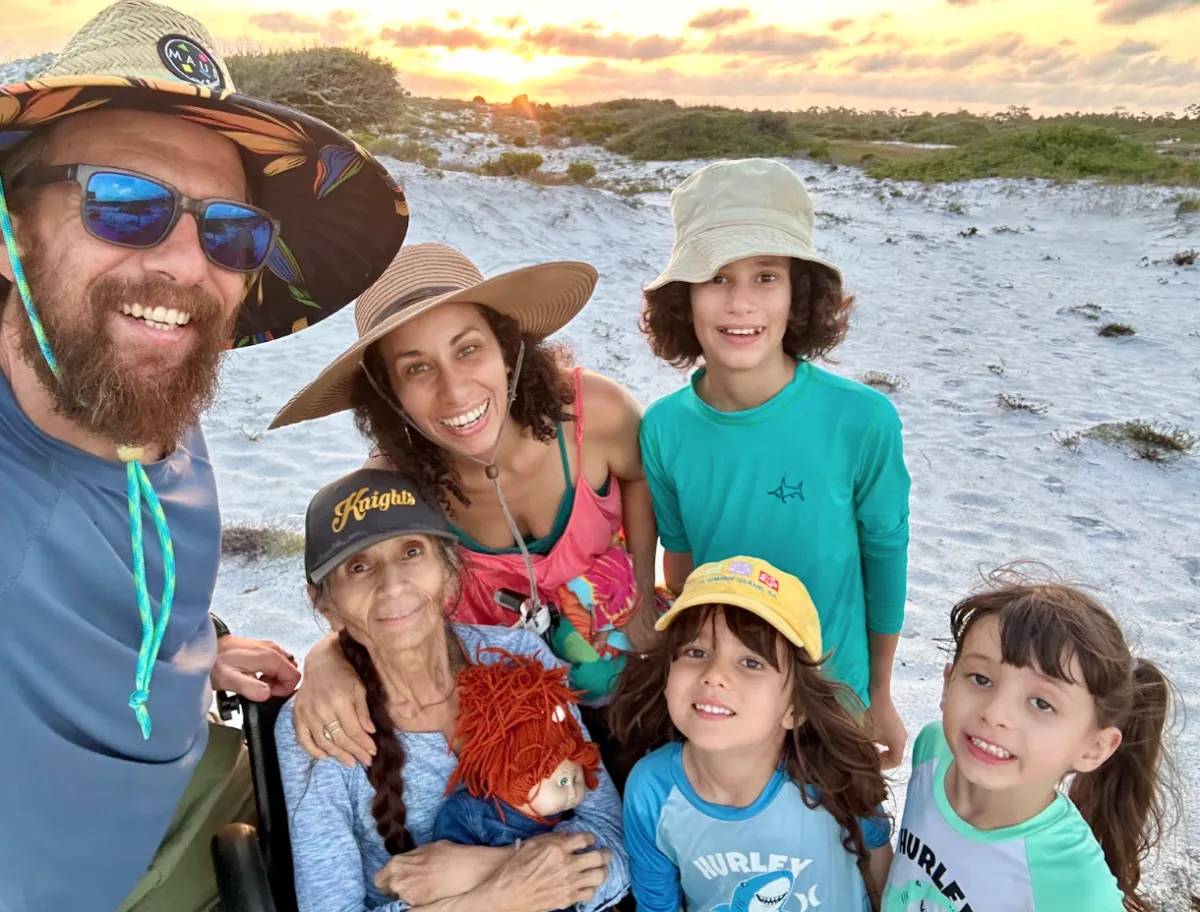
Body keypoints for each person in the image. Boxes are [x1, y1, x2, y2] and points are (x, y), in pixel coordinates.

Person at [0, 1, 409, 908]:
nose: (187, 264)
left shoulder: (128, 376)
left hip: (195, 766)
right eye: (125, 205)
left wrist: (197, 646)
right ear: (10, 231)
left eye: (230, 231)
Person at [269, 241, 657, 776]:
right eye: (416, 368)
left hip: (645, 692)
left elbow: (642, 480)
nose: (453, 391)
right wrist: (327, 656)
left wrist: (641, 588)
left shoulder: (594, 415)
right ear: (388, 392)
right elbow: (375, 596)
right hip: (519, 738)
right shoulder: (393, 489)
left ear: (506, 348)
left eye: (468, 350)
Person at [637, 157, 911, 767]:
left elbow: (885, 564)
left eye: (765, 277)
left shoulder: (861, 420)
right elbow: (680, 565)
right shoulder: (663, 428)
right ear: (684, 298)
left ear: (799, 295)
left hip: (833, 699)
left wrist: (882, 695)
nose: (740, 304)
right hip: (722, 707)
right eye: (716, 278)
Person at [277, 466, 629, 912]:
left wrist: (479, 866)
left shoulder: (518, 658)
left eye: (411, 552)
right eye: (359, 566)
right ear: (324, 603)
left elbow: (614, 848)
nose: (392, 585)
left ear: (448, 569)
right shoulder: (317, 725)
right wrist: (496, 897)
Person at [882, 568, 1176, 912]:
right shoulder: (934, 749)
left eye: (1042, 703)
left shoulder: (1078, 886)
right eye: (980, 678)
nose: (996, 713)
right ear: (948, 684)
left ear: (1094, 748)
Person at [609, 556, 893, 912]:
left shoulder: (834, 774)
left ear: (796, 708)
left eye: (751, 662)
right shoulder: (651, 789)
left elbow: (879, 868)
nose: (714, 674)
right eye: (696, 651)